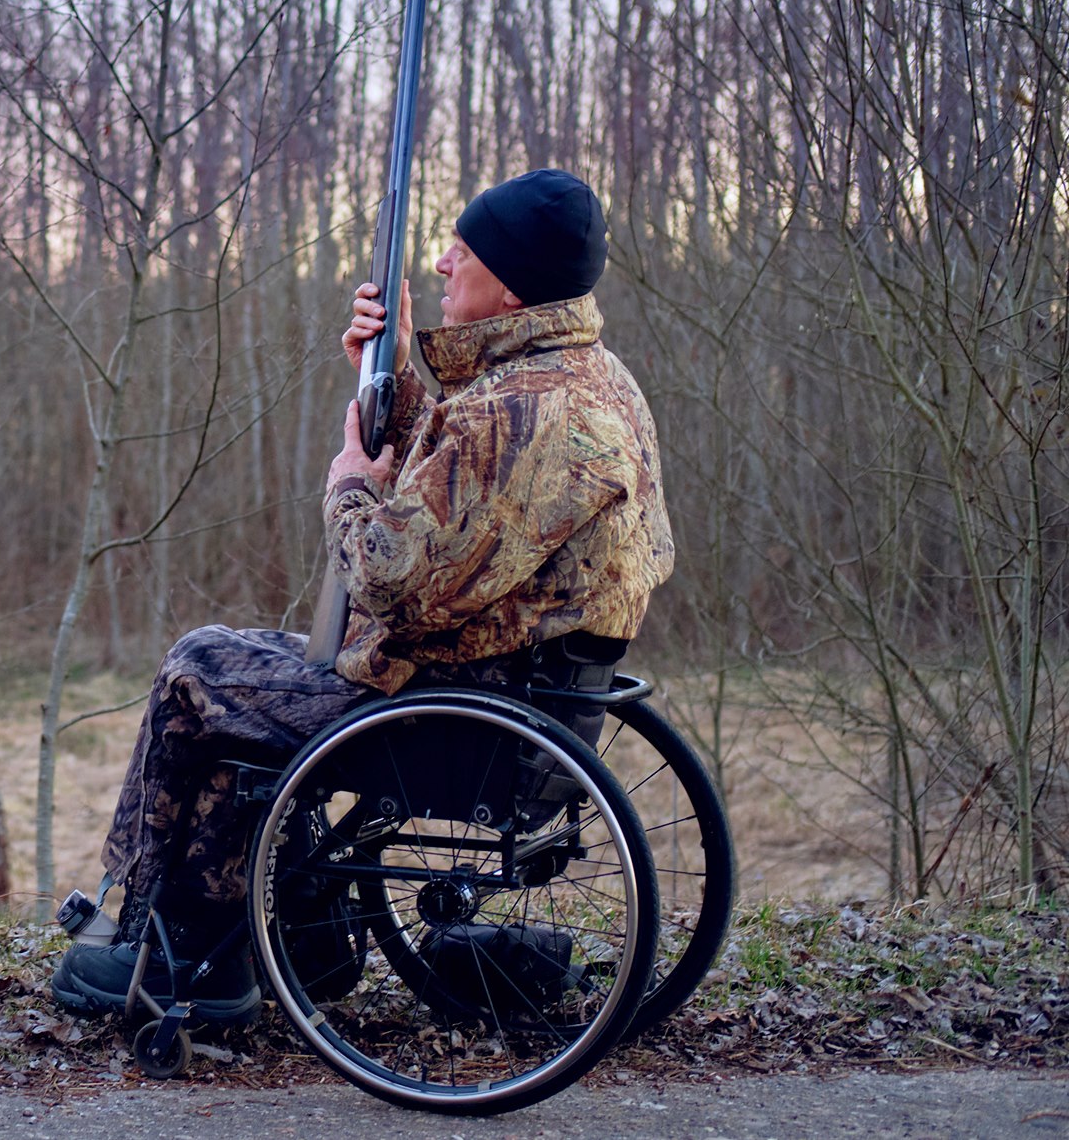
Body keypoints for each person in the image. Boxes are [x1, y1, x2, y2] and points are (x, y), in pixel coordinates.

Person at [49, 168, 676, 1023]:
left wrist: (349, 484)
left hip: (449, 709)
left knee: (198, 670)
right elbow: (481, 508)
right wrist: (398, 385)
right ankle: (274, 942)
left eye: (468, 248)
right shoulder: (585, 378)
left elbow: (390, 574)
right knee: (245, 690)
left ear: (513, 283)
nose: (447, 259)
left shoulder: (523, 409)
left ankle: (176, 951)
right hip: (515, 692)